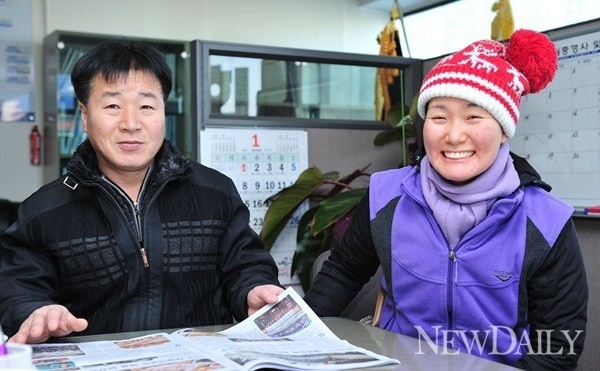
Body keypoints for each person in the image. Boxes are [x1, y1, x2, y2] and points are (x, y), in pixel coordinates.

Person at [305, 29, 588, 370]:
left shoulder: (545, 221)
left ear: (503, 128)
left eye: (473, 116)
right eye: (439, 117)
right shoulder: (386, 196)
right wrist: (288, 338)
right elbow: (343, 273)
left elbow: (557, 348)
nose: (454, 135)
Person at [0, 41, 284, 343]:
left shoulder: (215, 192)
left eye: (146, 106)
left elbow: (245, 264)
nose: (131, 124)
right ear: (84, 116)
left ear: (163, 111)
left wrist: (253, 289)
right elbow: (18, 286)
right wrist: (35, 309)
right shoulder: (43, 211)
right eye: (112, 106)